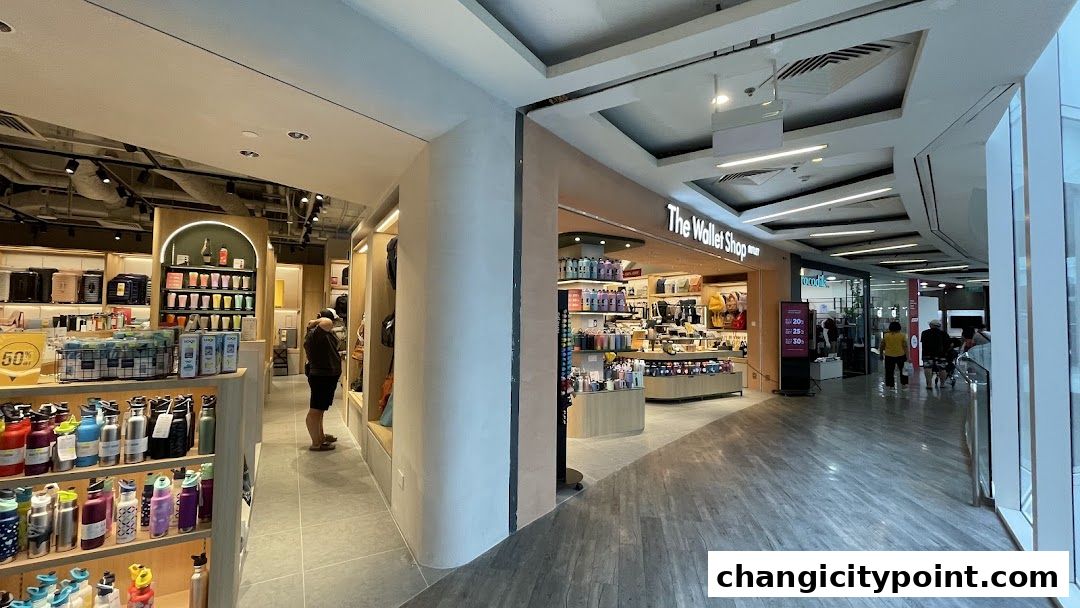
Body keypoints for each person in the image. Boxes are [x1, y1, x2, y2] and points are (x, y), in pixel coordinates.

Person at [304, 308, 342, 451]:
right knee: (315, 410)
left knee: (320, 410)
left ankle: (320, 437)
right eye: (332, 320)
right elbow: (326, 322)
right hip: (321, 377)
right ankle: (316, 443)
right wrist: (315, 321)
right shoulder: (315, 333)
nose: (333, 323)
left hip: (326, 376)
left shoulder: (323, 333)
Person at [920, 319, 950, 390]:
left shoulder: (924, 333)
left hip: (927, 354)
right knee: (942, 368)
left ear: (931, 325)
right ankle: (942, 384)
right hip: (941, 354)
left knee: (928, 368)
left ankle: (929, 384)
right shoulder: (944, 334)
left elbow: (923, 343)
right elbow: (947, 344)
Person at [880, 321, 908, 388]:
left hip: (889, 355)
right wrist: (907, 356)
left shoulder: (886, 335)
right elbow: (905, 346)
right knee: (903, 370)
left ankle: (891, 385)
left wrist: (881, 354)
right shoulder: (902, 335)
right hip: (901, 354)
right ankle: (904, 384)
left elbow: (882, 345)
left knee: (889, 371)